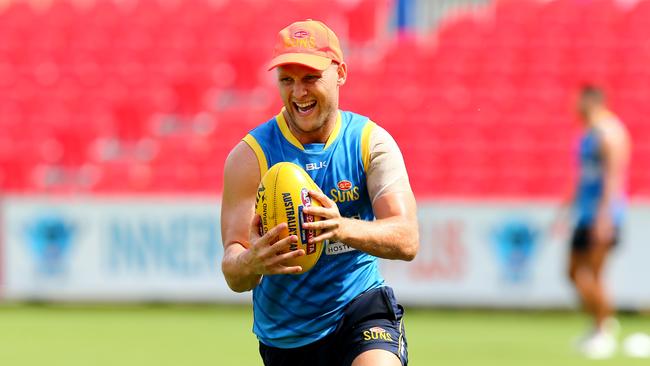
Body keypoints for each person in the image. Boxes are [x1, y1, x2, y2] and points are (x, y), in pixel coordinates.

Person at [220, 19, 419, 366]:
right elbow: (234, 272)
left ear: (340, 73)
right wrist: (251, 261)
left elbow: (407, 238)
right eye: (287, 80)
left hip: (360, 312)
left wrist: (339, 227)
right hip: (287, 336)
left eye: (311, 78)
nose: (299, 92)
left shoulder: (371, 143)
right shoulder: (249, 157)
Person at [555, 85, 630, 359]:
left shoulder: (610, 134)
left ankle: (604, 330)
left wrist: (605, 216)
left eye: (578, 100)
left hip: (602, 215)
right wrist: (564, 212)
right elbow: (582, 178)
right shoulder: (587, 135)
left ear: (590, 101)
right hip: (585, 214)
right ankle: (600, 322)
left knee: (596, 276)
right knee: (573, 272)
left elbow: (613, 178)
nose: (574, 106)